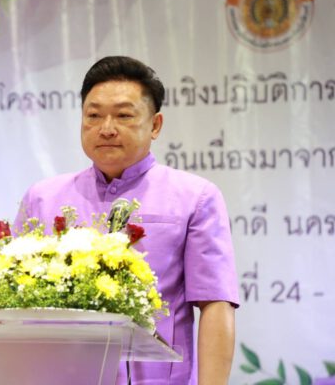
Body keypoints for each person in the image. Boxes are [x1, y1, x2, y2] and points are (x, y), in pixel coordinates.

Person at [14, 56, 239, 384]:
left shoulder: (195, 197)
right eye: (93, 115)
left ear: (155, 125)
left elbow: (215, 303)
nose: (106, 128)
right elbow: (14, 303)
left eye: (123, 115)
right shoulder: (43, 199)